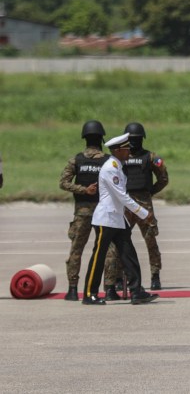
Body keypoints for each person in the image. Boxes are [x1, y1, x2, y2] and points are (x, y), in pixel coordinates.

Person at [82, 133, 158, 305]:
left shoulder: (117, 166)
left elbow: (121, 198)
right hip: (106, 220)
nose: (129, 151)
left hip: (117, 219)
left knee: (128, 254)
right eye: (126, 149)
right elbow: (122, 196)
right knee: (99, 257)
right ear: (117, 150)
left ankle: (137, 292)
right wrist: (143, 213)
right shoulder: (110, 168)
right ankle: (89, 294)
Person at [58, 121, 119, 301]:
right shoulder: (108, 161)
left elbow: (63, 183)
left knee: (76, 250)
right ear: (101, 138)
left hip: (82, 212)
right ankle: (109, 289)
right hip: (103, 213)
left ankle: (72, 289)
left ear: (84, 138)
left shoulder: (76, 160)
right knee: (109, 249)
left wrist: (83, 190)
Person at [119, 122, 169, 291]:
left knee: (150, 240)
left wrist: (149, 193)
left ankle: (155, 276)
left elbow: (163, 178)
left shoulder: (151, 157)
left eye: (137, 139)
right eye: (131, 140)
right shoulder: (119, 158)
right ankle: (119, 277)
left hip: (143, 203)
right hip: (125, 202)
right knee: (120, 241)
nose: (134, 142)